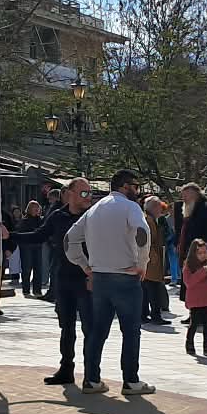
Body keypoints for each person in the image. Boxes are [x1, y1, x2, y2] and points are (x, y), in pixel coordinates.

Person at [67, 169, 155, 396]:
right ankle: (130, 380)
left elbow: (69, 240)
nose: (137, 191)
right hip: (125, 276)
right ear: (125, 186)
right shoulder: (130, 207)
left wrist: (85, 266)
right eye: (135, 186)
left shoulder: (94, 209)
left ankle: (92, 379)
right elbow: (142, 232)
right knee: (131, 331)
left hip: (100, 278)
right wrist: (142, 262)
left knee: (98, 331)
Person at [7, 179, 95, 385]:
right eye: (83, 193)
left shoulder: (93, 217)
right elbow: (39, 235)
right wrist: (10, 236)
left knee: (90, 328)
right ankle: (66, 369)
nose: (88, 197)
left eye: (90, 193)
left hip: (88, 279)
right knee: (66, 327)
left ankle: (92, 373)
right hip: (63, 277)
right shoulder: (58, 216)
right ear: (69, 194)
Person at [174, 185, 207, 308]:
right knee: (192, 287)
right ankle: (194, 312)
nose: (183, 198)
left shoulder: (205, 210)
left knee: (203, 286)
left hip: (200, 254)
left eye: (186, 195)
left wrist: (200, 248)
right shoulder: (191, 210)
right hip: (190, 255)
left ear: (195, 194)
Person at [181, 239, 207, 357]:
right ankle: (189, 344)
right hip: (195, 301)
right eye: (200, 253)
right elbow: (189, 282)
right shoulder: (188, 266)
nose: (203, 255)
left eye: (205, 253)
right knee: (194, 323)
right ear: (194, 253)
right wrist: (202, 272)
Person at [141, 196, 172, 324]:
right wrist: (153, 257)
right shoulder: (148, 220)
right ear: (153, 207)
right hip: (151, 260)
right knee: (153, 289)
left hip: (150, 258)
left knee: (147, 289)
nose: (162, 209)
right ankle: (155, 315)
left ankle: (144, 315)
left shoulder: (150, 219)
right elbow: (147, 241)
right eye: (159, 206)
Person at [18, 200, 47, 297]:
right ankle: (26, 289)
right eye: (35, 208)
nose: (37, 210)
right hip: (27, 247)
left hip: (38, 246)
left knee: (38, 268)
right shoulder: (24, 220)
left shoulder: (41, 220)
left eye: (38, 208)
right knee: (26, 268)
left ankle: (37, 290)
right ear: (29, 209)